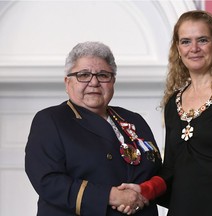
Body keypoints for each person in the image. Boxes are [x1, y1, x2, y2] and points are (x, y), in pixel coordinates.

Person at [118, 10, 212, 216]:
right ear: (178, 49)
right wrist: (143, 191)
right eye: (186, 41)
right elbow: (170, 169)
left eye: (202, 40)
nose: (194, 48)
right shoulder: (172, 103)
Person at [25, 41, 163, 216]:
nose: (94, 82)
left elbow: (158, 173)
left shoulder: (134, 120)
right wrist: (111, 196)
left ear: (113, 81)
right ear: (68, 82)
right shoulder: (51, 120)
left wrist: (145, 191)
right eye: (83, 75)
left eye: (103, 75)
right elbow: (48, 181)